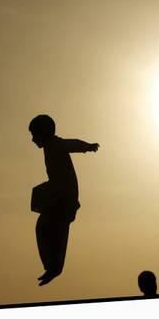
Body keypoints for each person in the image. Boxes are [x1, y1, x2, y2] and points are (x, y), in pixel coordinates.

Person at [28, 114, 99, 286]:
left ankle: (54, 267)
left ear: (43, 133)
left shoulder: (54, 144)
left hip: (64, 196)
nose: (32, 140)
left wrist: (87, 147)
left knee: (55, 228)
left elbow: (71, 144)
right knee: (44, 227)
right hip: (58, 193)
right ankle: (52, 266)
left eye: (34, 135)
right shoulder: (50, 146)